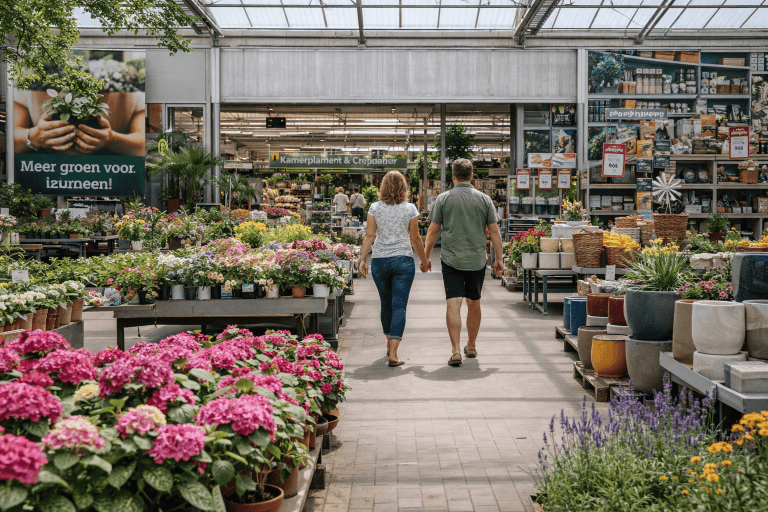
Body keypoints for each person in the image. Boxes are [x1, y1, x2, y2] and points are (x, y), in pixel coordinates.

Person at [424, 159, 503, 367]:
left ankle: (456, 351)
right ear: (472, 176)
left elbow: (433, 231)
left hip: (451, 260)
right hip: (477, 260)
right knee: (474, 303)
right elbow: (494, 231)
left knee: (453, 304)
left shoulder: (443, 198)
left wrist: (425, 257)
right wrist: (499, 259)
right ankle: (471, 345)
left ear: (453, 176)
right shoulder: (485, 199)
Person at [358, 171, 429, 367]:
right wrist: (424, 261)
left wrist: (362, 260)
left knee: (385, 304)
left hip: (380, 261)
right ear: (403, 188)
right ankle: (394, 354)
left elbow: (369, 236)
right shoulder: (410, 209)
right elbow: (415, 238)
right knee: (399, 306)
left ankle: (389, 344)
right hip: (403, 261)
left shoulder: (374, 208)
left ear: (383, 187)